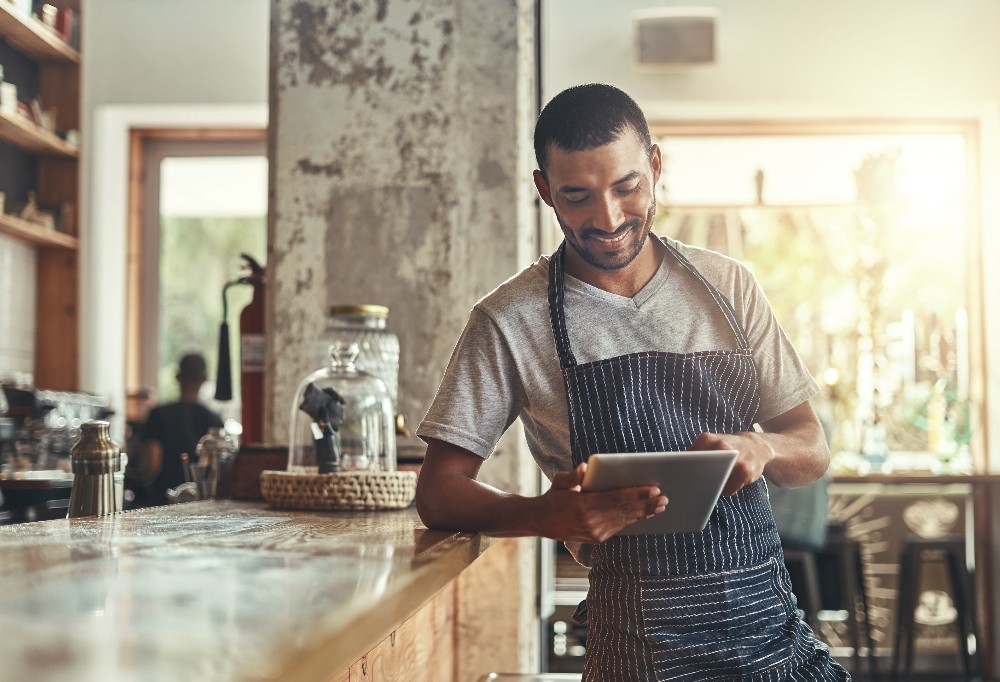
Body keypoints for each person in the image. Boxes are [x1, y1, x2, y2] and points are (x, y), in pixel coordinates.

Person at [415, 83, 850, 680]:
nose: (609, 218)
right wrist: (547, 514)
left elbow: (811, 447)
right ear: (545, 191)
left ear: (655, 165)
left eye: (627, 187)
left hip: (770, 640)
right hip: (637, 652)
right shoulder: (510, 320)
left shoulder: (729, 288)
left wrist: (762, 447)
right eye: (577, 196)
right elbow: (439, 491)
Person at [139, 353, 223, 506]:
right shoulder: (214, 420)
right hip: (203, 505)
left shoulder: (158, 414)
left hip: (162, 504)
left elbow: (152, 466)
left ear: (177, 376)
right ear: (204, 378)